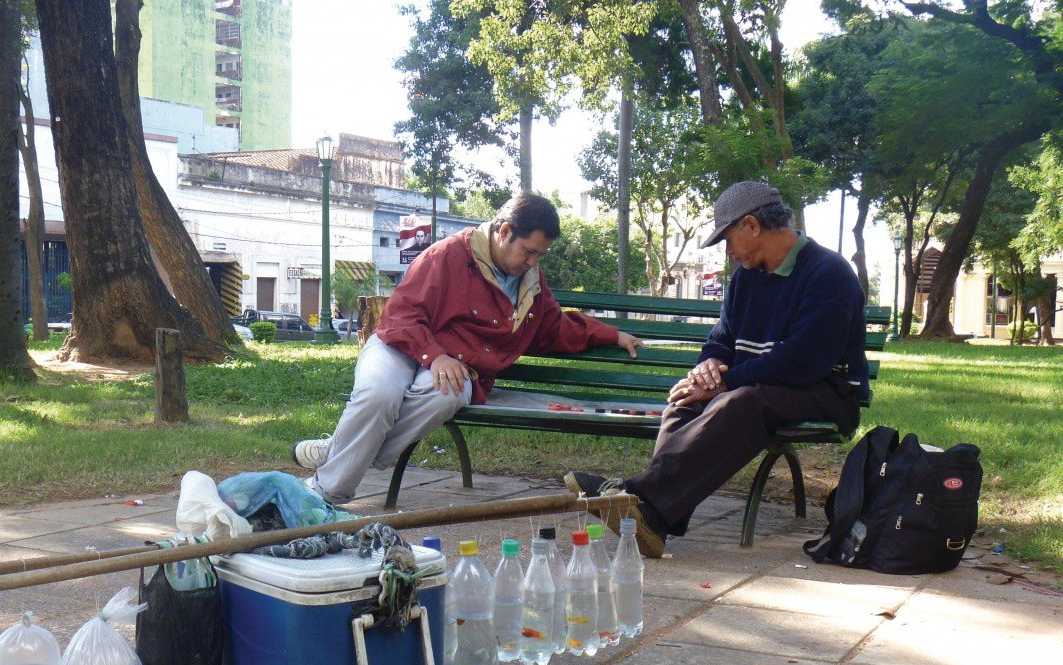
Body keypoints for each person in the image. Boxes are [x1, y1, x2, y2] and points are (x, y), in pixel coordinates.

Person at [564, 181, 868, 558]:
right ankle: (655, 519)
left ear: (752, 226)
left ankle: (640, 500)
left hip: (827, 392)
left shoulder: (829, 273)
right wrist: (708, 366)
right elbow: (722, 338)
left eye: (727, 238)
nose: (726, 252)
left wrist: (727, 382)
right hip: (762, 386)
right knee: (683, 400)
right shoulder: (746, 276)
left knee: (739, 402)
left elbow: (805, 360)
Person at [293, 193, 643, 505]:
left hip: (458, 368)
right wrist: (434, 355)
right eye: (529, 251)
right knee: (379, 393)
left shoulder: (532, 283)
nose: (533, 262)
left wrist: (611, 335)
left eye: (541, 254)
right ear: (504, 232)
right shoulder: (446, 255)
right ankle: (327, 494)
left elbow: (553, 328)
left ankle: (342, 451)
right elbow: (401, 315)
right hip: (399, 345)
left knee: (446, 394)